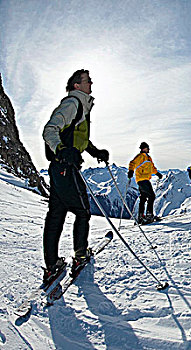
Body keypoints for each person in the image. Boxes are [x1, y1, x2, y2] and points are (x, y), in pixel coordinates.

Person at [42, 69, 109, 283]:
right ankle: (80, 256)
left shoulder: (82, 106)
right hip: (66, 167)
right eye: (87, 80)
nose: (91, 82)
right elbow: (50, 130)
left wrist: (94, 151)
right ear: (77, 85)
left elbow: (79, 139)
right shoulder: (73, 103)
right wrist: (61, 149)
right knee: (83, 211)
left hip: (60, 168)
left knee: (56, 215)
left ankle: (52, 266)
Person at [128, 142, 163, 224]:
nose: (148, 149)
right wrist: (131, 171)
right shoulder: (141, 156)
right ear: (144, 148)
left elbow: (152, 168)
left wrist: (157, 173)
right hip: (142, 179)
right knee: (151, 196)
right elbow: (132, 163)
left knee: (143, 198)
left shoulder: (148, 158)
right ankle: (149, 215)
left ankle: (141, 217)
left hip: (144, 179)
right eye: (147, 148)